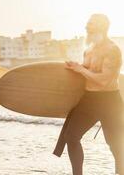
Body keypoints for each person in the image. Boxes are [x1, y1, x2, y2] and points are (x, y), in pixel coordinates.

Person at [53, 14, 124, 175]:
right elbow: (87, 72)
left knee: (115, 144)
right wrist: (76, 67)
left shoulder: (113, 50)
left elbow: (105, 80)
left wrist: (81, 69)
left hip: (110, 101)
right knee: (71, 137)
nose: (86, 27)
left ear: (102, 27)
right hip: (89, 100)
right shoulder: (89, 49)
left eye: (90, 25)